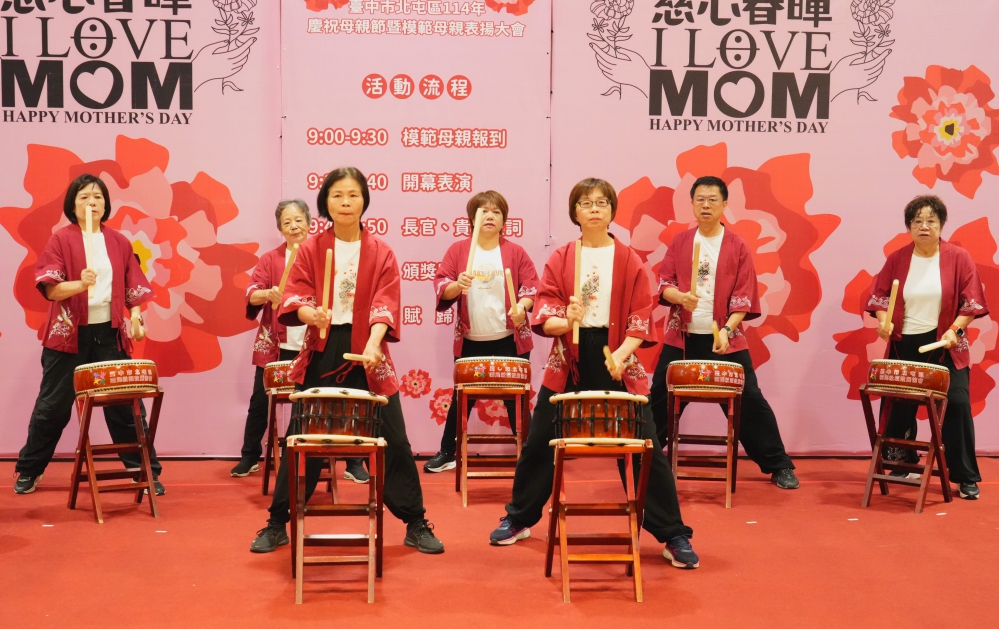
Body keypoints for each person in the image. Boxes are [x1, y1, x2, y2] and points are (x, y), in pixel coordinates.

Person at [489, 178, 700, 569]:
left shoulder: (628, 258)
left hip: (618, 354)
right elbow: (546, 316)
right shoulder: (562, 257)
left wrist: (620, 355)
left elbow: (640, 315)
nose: (594, 209)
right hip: (569, 358)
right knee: (540, 441)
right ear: (575, 212)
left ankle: (673, 533)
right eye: (586, 203)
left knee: (644, 444)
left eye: (602, 203)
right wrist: (566, 320)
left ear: (612, 211)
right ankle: (519, 517)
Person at [249, 167, 444, 554]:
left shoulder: (381, 251)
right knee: (304, 437)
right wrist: (311, 315)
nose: (345, 202)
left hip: (369, 351)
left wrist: (374, 342)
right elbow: (295, 296)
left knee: (394, 439)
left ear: (364, 201)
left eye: (353, 195)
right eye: (337, 195)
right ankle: (277, 522)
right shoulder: (311, 248)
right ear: (326, 202)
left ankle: (415, 522)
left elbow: (386, 301)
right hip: (323, 349)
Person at [13, 174, 163, 495]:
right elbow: (51, 290)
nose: (91, 203)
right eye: (84, 197)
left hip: (109, 335)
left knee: (125, 406)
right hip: (68, 337)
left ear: (106, 205)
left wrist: (136, 317)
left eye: (98, 197)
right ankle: (29, 469)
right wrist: (81, 283)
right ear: (72, 205)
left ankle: (143, 470)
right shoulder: (61, 240)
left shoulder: (119, 242)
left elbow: (133, 287)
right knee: (52, 408)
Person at [650, 176, 799, 490]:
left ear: (724, 205)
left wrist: (727, 330)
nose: (706, 205)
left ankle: (779, 464)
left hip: (725, 340)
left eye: (712, 200)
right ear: (692, 204)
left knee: (750, 400)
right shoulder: (680, 242)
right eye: (700, 199)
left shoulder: (737, 245)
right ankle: (643, 455)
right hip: (683, 339)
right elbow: (665, 284)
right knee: (660, 395)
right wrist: (680, 297)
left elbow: (744, 295)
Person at [232, 200, 372, 480]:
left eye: (298, 220)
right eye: (287, 222)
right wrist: (268, 293)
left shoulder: (325, 254)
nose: (294, 226)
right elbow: (251, 293)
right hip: (278, 347)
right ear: (280, 229)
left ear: (309, 223)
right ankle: (249, 456)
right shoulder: (271, 259)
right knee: (260, 401)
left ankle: (353, 461)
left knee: (338, 400)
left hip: (318, 345)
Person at [867, 195, 988, 499]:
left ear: (941, 225)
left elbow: (971, 302)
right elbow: (880, 297)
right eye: (917, 221)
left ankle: (963, 475)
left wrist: (955, 330)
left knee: (956, 403)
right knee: (898, 403)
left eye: (931, 220)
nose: (924, 226)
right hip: (905, 342)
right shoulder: (897, 258)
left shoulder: (958, 257)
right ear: (909, 227)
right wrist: (883, 322)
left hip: (945, 343)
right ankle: (902, 462)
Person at [424, 191, 539, 472]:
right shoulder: (459, 250)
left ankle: (530, 458)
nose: (490, 216)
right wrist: (457, 285)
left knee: (517, 401)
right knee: (461, 399)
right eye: (483, 211)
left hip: (509, 341)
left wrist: (522, 308)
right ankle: (447, 452)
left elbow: (531, 287)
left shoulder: (515, 251)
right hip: (471, 342)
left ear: (504, 220)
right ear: (472, 219)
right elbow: (442, 286)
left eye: (496, 212)